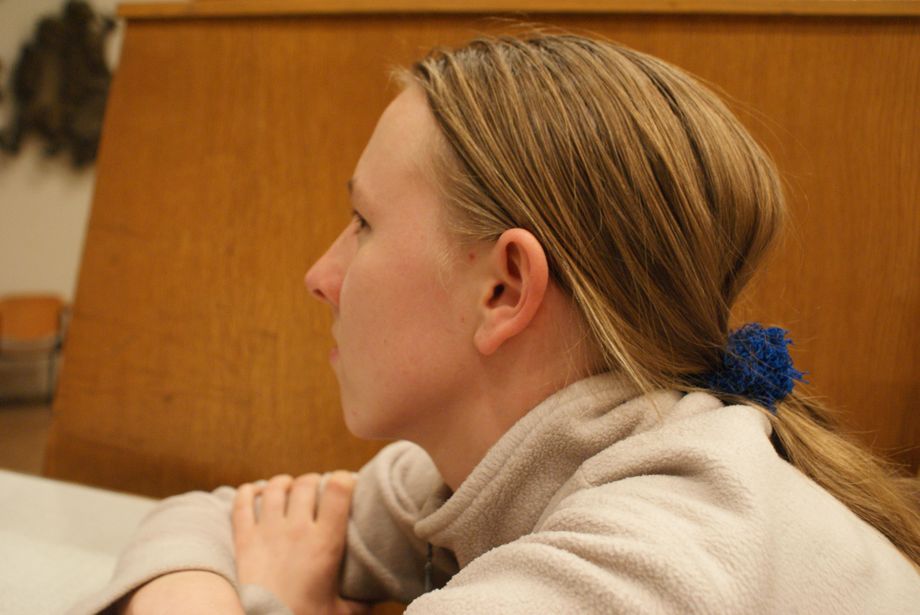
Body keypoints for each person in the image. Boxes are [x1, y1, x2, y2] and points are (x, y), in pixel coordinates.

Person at [72, 34, 920, 615]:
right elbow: (206, 520)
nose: (320, 276)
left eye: (363, 224)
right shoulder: (474, 469)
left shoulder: (651, 554)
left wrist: (272, 599)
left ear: (505, 289)